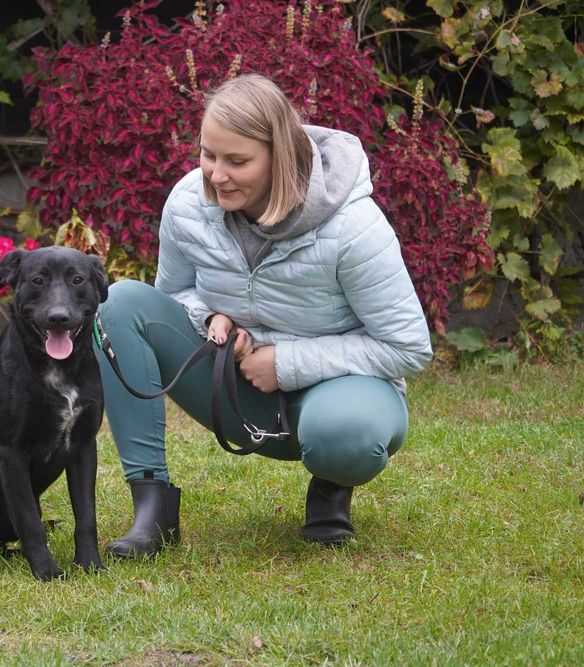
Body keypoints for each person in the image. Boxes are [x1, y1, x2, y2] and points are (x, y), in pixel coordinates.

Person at [95, 73, 432, 557]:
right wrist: (209, 317)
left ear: (281, 157)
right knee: (119, 302)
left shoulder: (354, 226)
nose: (216, 175)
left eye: (237, 161)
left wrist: (285, 362)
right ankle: (153, 508)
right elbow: (173, 296)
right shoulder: (188, 203)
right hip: (235, 389)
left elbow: (407, 346)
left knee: (346, 435)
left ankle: (331, 484)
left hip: (337, 397)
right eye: (209, 155)